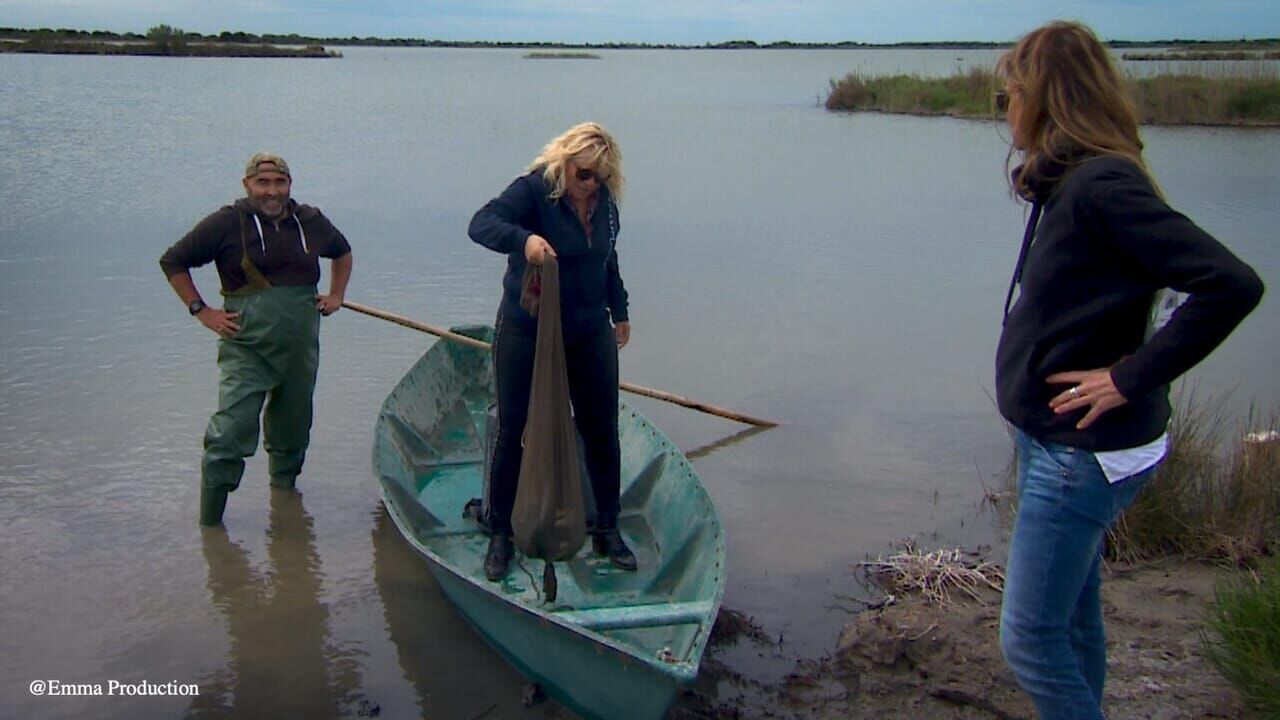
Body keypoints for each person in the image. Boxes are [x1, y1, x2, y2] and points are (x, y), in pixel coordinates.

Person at [992, 22, 1263, 719]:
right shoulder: (1071, 181)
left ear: (1044, 98)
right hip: (1059, 442)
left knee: (1029, 641)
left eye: (1009, 95)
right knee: (1073, 623)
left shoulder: (1101, 185)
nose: (1004, 110)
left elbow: (1230, 284)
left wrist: (1126, 378)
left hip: (1079, 454)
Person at [468, 122, 634, 580]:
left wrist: (620, 309)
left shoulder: (604, 204)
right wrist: (524, 241)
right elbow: (481, 224)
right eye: (584, 173)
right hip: (528, 328)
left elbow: (607, 257)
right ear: (565, 161)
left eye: (600, 176)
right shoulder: (534, 191)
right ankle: (501, 532)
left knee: (602, 430)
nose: (591, 184)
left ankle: (607, 526)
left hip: (588, 329)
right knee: (514, 428)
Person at [160, 152, 354, 526]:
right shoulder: (226, 223)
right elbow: (173, 261)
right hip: (246, 347)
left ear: (290, 185)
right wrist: (201, 310)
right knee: (229, 432)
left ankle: (285, 506)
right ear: (247, 184)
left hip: (299, 347)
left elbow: (342, 252)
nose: (272, 192)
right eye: (263, 183)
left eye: (279, 183)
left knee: (293, 428)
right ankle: (210, 527)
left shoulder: (310, 220)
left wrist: (336, 295)